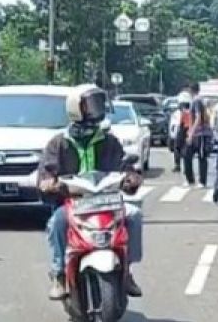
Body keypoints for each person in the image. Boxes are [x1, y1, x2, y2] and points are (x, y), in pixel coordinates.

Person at [38, 84, 145, 301]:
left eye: (98, 104)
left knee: (134, 216)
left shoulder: (109, 140)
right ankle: (59, 274)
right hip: (73, 203)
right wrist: (49, 183)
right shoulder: (59, 143)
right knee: (57, 223)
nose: (97, 109)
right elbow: (45, 172)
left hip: (107, 201)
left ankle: (127, 271)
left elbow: (125, 166)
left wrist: (131, 178)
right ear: (76, 108)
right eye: (91, 105)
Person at [184, 82, 213, 188]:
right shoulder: (198, 100)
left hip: (201, 133)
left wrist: (191, 133)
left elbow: (198, 117)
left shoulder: (197, 100)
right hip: (197, 132)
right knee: (187, 155)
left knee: (201, 157)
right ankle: (190, 179)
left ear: (191, 90)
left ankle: (202, 181)